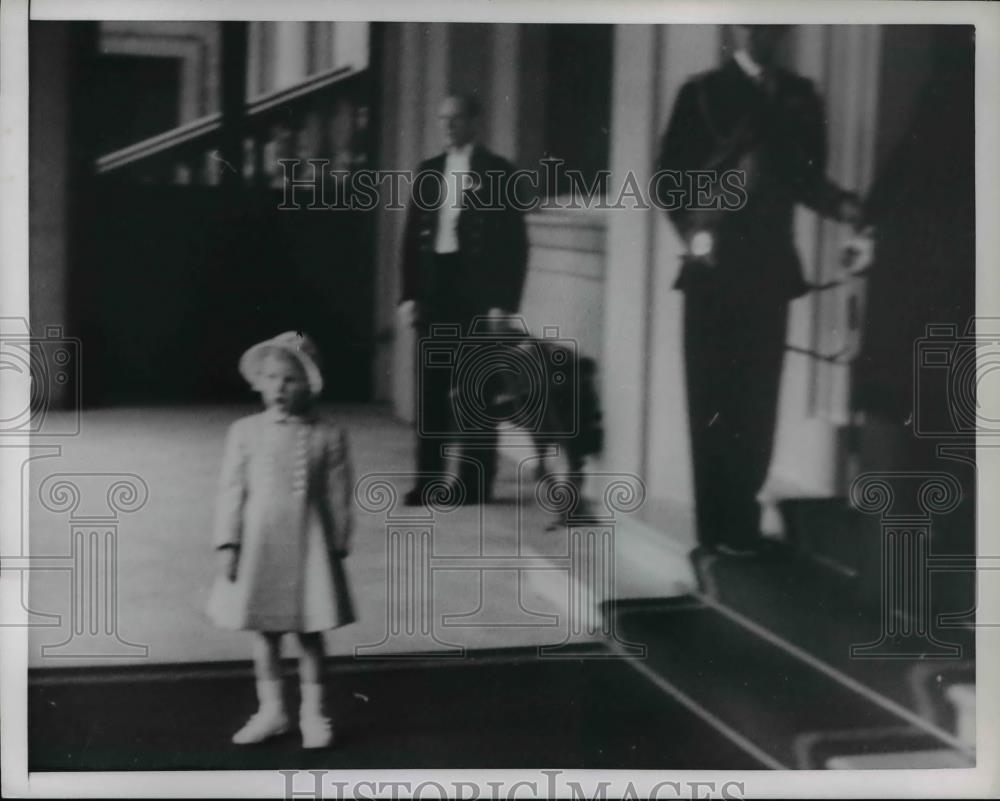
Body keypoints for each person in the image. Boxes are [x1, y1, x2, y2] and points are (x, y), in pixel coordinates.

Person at [656, 25, 862, 557]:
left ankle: (741, 522)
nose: (764, 30)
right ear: (733, 29)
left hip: (768, 274)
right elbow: (668, 182)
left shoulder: (800, 97)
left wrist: (845, 208)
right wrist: (701, 230)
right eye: (752, 19)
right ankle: (713, 530)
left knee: (757, 403)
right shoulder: (700, 93)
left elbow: (806, 178)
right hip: (712, 273)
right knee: (711, 404)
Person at [205, 331, 356, 749]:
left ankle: (314, 713)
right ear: (259, 381)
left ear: (310, 384)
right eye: (271, 378)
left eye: (290, 379)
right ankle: (272, 710)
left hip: (309, 547)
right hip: (259, 545)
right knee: (266, 634)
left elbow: (339, 495)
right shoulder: (244, 432)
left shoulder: (329, 434)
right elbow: (231, 490)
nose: (279, 388)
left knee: (310, 632)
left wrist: (337, 543)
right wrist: (227, 543)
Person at [398, 93, 529, 506]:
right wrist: (409, 295)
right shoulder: (429, 172)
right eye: (442, 120)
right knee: (431, 387)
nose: (447, 127)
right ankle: (429, 480)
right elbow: (409, 242)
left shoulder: (498, 171)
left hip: (478, 292)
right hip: (436, 286)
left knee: (475, 387)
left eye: (455, 119)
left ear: (475, 121)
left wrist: (503, 303)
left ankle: (473, 483)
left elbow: (515, 245)